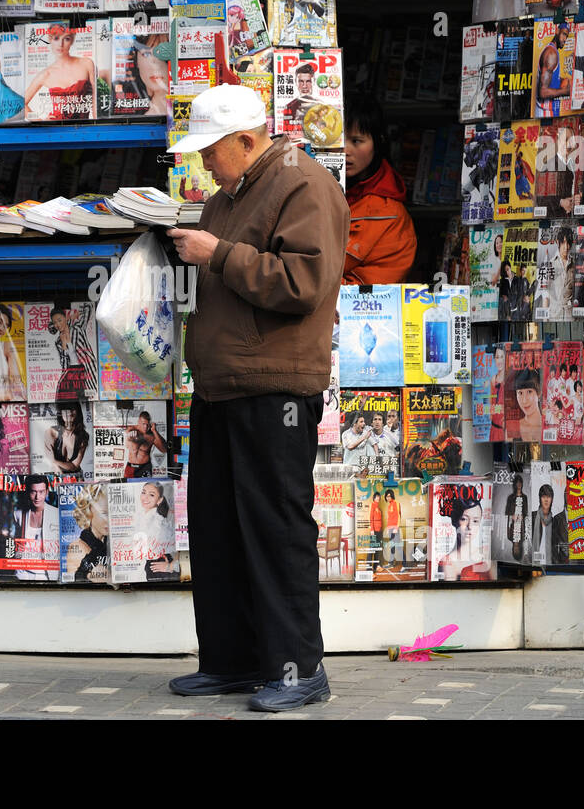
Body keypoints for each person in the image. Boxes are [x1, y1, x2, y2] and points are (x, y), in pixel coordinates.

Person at [164, 83, 348, 711]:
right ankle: (232, 661)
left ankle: (298, 670)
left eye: (212, 150)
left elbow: (302, 281)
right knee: (217, 530)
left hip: (274, 388)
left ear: (246, 140)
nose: (203, 163)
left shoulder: (304, 184)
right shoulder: (228, 196)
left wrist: (218, 253)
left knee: (274, 529)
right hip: (221, 385)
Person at [341, 94, 416, 283]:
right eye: (337, 139)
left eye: (356, 141)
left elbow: (370, 290)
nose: (345, 150)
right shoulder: (313, 191)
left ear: (379, 142)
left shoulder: (391, 215)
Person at [24, 23, 96, 120]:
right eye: (56, 38)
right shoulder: (46, 74)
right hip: (55, 130)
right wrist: (40, 121)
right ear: (50, 40)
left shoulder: (87, 64)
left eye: (66, 39)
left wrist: (97, 124)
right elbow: (20, 104)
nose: (60, 44)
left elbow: (97, 100)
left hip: (83, 128)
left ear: (72, 41)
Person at [9, 475, 58, 581]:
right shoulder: (18, 514)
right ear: (27, 492)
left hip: (46, 574)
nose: (37, 497)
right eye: (33, 492)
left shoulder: (56, 514)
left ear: (47, 492)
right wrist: (16, 549)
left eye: (41, 492)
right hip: (22, 573)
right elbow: (13, 546)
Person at [439, 492, 492, 580]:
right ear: (454, 521)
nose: (470, 526)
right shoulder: (448, 562)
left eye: (475, 521)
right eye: (464, 519)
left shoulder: (486, 554)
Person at [49, 305, 98, 398]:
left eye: (60, 320)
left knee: (89, 397)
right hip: (72, 376)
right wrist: (64, 345)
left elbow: (88, 307)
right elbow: (64, 366)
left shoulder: (77, 327)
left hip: (86, 369)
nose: (58, 325)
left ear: (65, 318)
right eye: (55, 322)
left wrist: (74, 314)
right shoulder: (58, 342)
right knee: (65, 399)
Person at [135, 481, 179, 581]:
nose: (145, 497)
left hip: (159, 567)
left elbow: (179, 545)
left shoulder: (159, 522)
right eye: (143, 492)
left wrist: (171, 566)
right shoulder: (143, 517)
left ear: (159, 500)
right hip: (150, 566)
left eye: (151, 495)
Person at [45, 402, 89, 475]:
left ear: (78, 412)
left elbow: (75, 465)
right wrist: (56, 464)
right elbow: (49, 459)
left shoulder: (83, 436)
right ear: (60, 413)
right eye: (65, 409)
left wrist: (55, 462)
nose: (69, 412)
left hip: (75, 476)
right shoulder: (51, 432)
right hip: (55, 476)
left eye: (72, 409)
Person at [529, 484, 569, 565]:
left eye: (549, 497)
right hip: (533, 562)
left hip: (550, 563)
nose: (546, 500)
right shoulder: (532, 517)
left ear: (552, 499)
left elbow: (556, 546)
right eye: (544, 496)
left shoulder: (554, 520)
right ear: (540, 498)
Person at [124, 409, 165, 478]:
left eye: (147, 424)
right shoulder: (131, 429)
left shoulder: (151, 436)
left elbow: (163, 450)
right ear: (139, 422)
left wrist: (155, 431)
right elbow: (126, 441)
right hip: (131, 467)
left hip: (145, 467)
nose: (145, 427)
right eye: (143, 424)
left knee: (147, 486)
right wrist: (129, 435)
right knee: (128, 487)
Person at [511, 367, 542, 441]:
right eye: (520, 393)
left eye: (529, 392)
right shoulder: (513, 428)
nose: (524, 400)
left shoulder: (550, 425)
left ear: (539, 393)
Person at [503, 473, 528, 562]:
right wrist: (511, 515)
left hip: (520, 521)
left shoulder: (524, 497)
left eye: (520, 483)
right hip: (514, 521)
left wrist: (523, 516)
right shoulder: (510, 497)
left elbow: (526, 511)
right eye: (517, 483)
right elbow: (507, 511)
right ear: (515, 484)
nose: (519, 485)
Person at [382, 488, 402, 567]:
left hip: (394, 528)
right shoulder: (389, 505)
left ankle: (405, 564)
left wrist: (396, 527)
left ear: (392, 496)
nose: (388, 498)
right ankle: (391, 563)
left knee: (397, 546)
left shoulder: (395, 503)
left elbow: (398, 516)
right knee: (392, 545)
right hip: (390, 528)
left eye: (389, 496)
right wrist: (387, 528)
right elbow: (390, 518)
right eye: (387, 496)